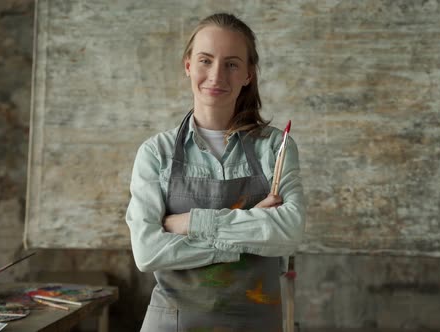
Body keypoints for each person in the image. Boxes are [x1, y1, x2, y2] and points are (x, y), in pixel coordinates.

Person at [126, 12, 306, 331]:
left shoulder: (275, 147)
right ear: (188, 66)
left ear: (248, 74)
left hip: (256, 322)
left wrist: (191, 223)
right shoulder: (156, 153)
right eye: (206, 60)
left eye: (232, 64)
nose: (216, 75)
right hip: (173, 323)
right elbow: (148, 252)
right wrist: (252, 232)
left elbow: (289, 233)